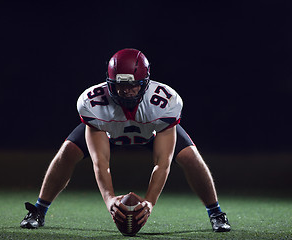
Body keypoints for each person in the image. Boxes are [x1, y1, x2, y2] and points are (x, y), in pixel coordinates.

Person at [20, 48, 231, 232]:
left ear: (145, 83)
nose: (125, 91)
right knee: (67, 152)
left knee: (191, 158)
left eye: (132, 85)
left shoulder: (163, 103)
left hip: (151, 131)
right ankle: (39, 210)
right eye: (119, 85)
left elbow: (163, 163)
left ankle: (216, 213)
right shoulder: (94, 103)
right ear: (109, 82)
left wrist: (149, 202)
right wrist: (110, 199)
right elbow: (100, 162)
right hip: (109, 130)